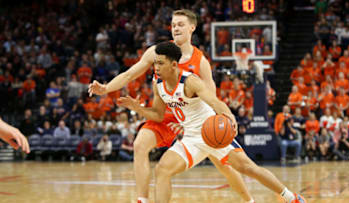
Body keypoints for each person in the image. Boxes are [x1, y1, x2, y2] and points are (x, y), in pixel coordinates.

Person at [88, 9, 253, 203]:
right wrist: (106, 88)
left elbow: (211, 100)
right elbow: (129, 75)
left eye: (181, 24)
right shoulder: (157, 51)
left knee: (224, 165)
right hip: (164, 113)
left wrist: (216, 120)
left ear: (192, 27)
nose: (176, 28)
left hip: (193, 119)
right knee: (140, 144)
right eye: (173, 25)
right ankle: (143, 199)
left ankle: (249, 200)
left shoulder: (201, 62)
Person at [117, 42, 307, 203]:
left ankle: (291, 197)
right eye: (155, 63)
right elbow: (158, 116)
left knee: (248, 168)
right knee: (162, 170)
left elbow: (216, 102)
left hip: (212, 132)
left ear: (173, 65)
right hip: (191, 138)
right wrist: (138, 108)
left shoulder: (190, 82)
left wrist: (230, 118)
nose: (155, 67)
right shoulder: (158, 84)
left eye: (160, 63)